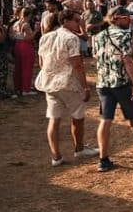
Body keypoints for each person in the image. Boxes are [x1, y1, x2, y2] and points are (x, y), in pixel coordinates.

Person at [91, 6, 133, 172]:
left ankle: (103, 158)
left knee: (105, 119)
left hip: (103, 83)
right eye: (127, 17)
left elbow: (96, 57)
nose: (130, 20)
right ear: (117, 18)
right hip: (122, 83)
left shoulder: (98, 36)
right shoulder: (124, 35)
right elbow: (128, 61)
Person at [36, 10, 99, 166]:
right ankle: (79, 149)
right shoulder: (71, 39)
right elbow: (77, 65)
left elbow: (41, 63)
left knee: (53, 119)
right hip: (68, 83)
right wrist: (85, 87)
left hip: (49, 83)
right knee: (77, 117)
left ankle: (56, 156)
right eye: (76, 20)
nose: (79, 23)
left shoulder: (45, 37)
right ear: (65, 21)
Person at [9, 7, 38, 96]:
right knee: (27, 67)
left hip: (17, 45)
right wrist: (36, 30)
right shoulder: (26, 24)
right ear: (29, 15)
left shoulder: (16, 23)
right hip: (26, 46)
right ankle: (26, 89)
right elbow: (28, 38)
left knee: (18, 67)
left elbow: (11, 35)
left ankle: (18, 87)